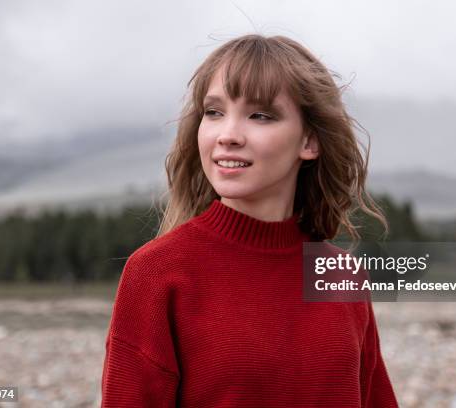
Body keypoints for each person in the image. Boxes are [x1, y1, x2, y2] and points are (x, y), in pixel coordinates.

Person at [100, 34, 398, 407]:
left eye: (260, 115)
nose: (227, 135)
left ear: (309, 141)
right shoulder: (156, 273)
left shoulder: (341, 276)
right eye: (214, 112)